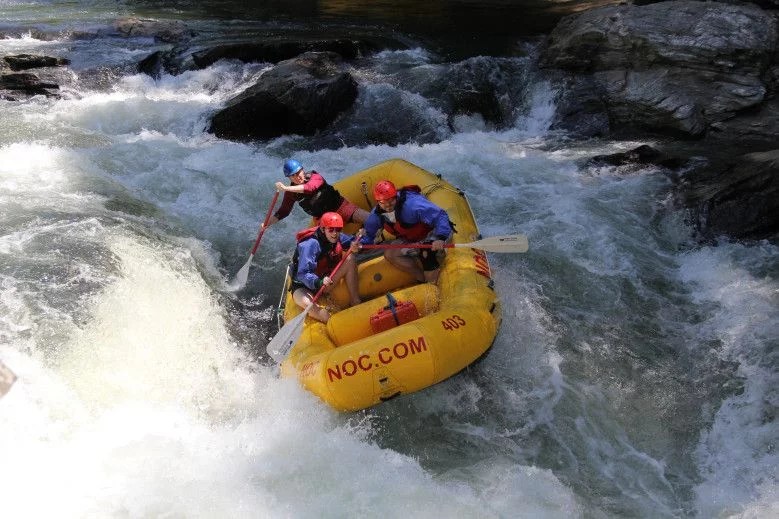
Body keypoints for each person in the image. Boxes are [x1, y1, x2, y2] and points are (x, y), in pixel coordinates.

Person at [361, 180, 453, 284]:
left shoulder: (412, 205)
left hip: (433, 232)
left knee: (426, 252)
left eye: (391, 200)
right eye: (383, 202)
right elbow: (368, 235)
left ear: (395, 197)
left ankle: (433, 283)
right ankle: (421, 279)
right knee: (390, 254)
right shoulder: (376, 214)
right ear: (378, 202)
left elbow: (440, 216)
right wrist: (359, 243)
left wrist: (440, 237)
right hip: (413, 238)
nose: (388, 205)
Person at [290, 212, 363, 323]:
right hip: (304, 286)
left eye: (338, 229)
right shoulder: (310, 244)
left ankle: (355, 301)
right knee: (308, 304)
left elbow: (354, 242)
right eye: (331, 230)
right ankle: (333, 323)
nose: (335, 233)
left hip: (327, 281)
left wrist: (358, 241)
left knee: (350, 258)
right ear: (323, 229)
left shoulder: (337, 236)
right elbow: (303, 273)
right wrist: (318, 282)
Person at [262, 159, 369, 230]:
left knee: (370, 219)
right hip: (323, 219)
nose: (297, 177)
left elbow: (309, 188)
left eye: (298, 172)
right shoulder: (291, 193)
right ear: (289, 178)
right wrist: (267, 223)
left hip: (341, 207)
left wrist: (286, 188)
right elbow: (283, 211)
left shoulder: (315, 176)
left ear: (302, 170)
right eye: (293, 175)